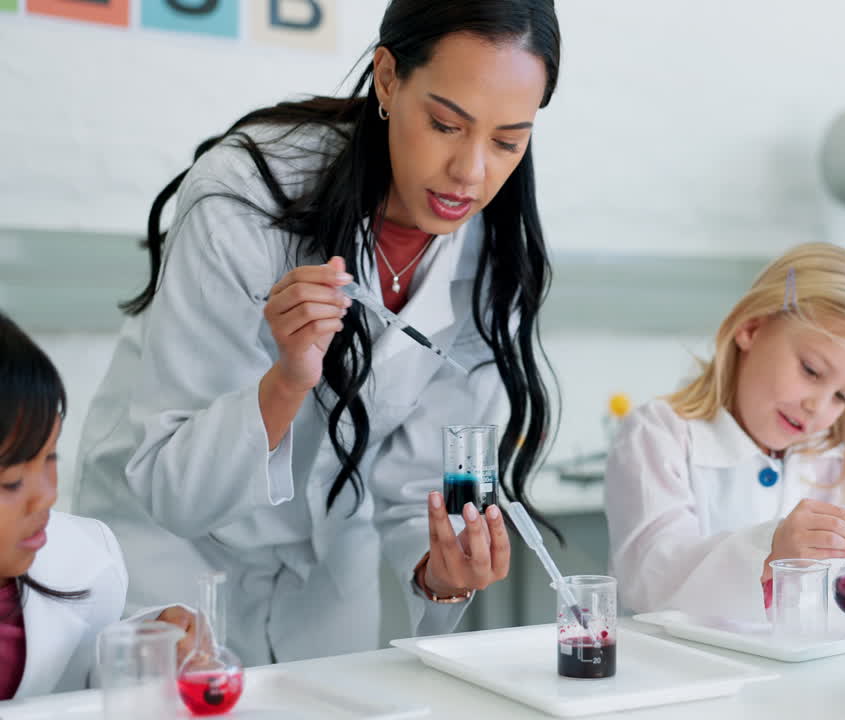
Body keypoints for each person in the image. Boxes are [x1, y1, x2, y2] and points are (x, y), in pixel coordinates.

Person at [75, 0, 562, 664]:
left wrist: (440, 572)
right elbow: (176, 487)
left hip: (324, 570)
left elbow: (419, 483)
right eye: (446, 124)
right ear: (388, 79)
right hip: (172, 557)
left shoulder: (489, 260)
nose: (472, 172)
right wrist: (287, 381)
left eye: (508, 140)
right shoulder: (244, 198)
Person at [605, 243, 845, 622]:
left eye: (842, 396)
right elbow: (652, 576)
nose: (818, 407)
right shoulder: (658, 435)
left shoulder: (833, 458)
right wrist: (771, 550)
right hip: (680, 669)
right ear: (751, 328)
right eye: (811, 371)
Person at [0, 313, 195, 698]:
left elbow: (72, 681)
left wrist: (141, 654)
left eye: (50, 457)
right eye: (13, 481)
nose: (47, 496)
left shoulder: (84, 564)